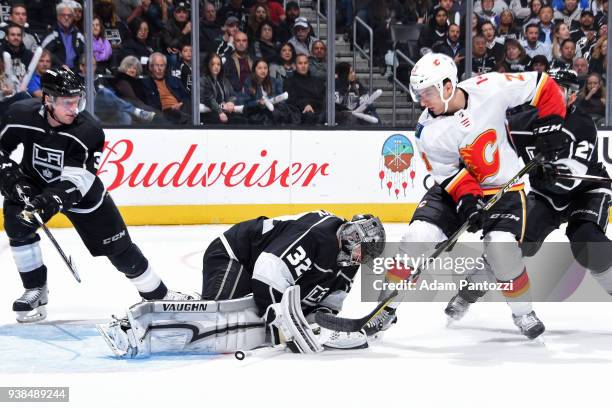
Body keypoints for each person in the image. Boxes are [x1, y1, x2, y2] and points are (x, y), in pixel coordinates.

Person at [366, 53, 567, 340]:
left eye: (427, 93)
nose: (422, 102)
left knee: (501, 249)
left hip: (503, 188)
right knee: (416, 238)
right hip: (455, 189)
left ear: (448, 86)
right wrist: (468, 200)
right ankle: (383, 310)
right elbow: (450, 176)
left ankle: (523, 312)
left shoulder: (490, 87)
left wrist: (552, 126)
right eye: (418, 94)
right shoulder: (427, 131)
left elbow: (544, 86)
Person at [0, 68, 192, 323]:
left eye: (78, 100)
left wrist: (52, 200)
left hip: (81, 194)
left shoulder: (88, 131)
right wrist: (9, 177)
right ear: (48, 100)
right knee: (17, 221)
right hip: (33, 181)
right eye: (67, 102)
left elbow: (79, 179)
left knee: (119, 248)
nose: (74, 108)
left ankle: (160, 295)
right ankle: (35, 288)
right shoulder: (19, 114)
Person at [444, 68, 612, 324]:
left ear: (574, 95)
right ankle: (468, 293)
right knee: (509, 243)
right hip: (545, 195)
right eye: (554, 89)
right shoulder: (522, 124)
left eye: (564, 90)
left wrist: (554, 172)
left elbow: (576, 171)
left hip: (585, 192)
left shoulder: (582, 124)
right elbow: (493, 151)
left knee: (587, 240)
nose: (558, 95)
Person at [97, 211, 386, 358]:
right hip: (235, 256)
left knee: (236, 318)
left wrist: (324, 325)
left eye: (364, 254)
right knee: (215, 316)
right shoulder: (319, 235)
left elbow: (324, 306)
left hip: (258, 272)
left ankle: (185, 305)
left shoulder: (348, 264)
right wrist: (281, 320)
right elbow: (267, 273)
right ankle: (134, 326)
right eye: (358, 244)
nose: (358, 254)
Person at [243, 59, 299, 125]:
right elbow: (246, 103)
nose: (263, 71)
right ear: (254, 69)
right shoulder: (249, 82)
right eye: (260, 68)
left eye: (265, 68)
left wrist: (274, 101)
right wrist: (258, 102)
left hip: (274, 110)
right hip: (257, 112)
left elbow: (281, 100)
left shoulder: (275, 81)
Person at [141, 52, 191, 124]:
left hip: (181, 110)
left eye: (162, 65)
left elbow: (186, 97)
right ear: (150, 67)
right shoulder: (146, 83)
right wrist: (171, 109)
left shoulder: (174, 80)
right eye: (157, 65)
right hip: (163, 114)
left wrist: (181, 105)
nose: (160, 69)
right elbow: (149, 106)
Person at [200, 52, 246, 124]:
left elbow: (232, 94)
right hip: (210, 114)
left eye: (218, 64)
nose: (216, 67)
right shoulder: (203, 80)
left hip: (225, 112)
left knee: (242, 121)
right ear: (207, 65)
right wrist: (220, 111)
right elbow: (209, 99)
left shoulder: (224, 80)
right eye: (213, 64)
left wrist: (231, 102)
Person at [284, 53, 326, 125]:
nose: (303, 66)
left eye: (305, 63)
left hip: (319, 111)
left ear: (308, 65)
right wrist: (305, 105)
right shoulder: (289, 81)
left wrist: (311, 105)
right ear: (294, 66)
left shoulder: (317, 81)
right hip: (299, 114)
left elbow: (323, 98)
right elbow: (291, 99)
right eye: (300, 63)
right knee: (309, 115)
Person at [41, 2, 85, 69]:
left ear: (73, 17)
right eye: (63, 15)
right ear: (58, 17)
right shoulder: (51, 34)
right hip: (56, 72)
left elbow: (86, 53)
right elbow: (43, 53)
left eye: (69, 15)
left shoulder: (79, 35)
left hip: (75, 73)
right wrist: (60, 64)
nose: (66, 18)